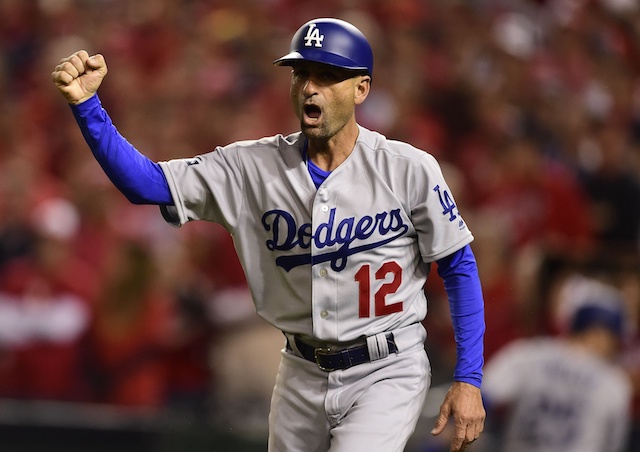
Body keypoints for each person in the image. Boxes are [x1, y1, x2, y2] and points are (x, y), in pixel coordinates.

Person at [51, 18, 486, 452]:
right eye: (302, 73)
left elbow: (458, 265)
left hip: (386, 368)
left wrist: (468, 378)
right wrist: (88, 106)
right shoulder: (249, 167)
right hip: (299, 368)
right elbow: (145, 184)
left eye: (328, 76)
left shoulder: (408, 168)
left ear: (361, 89)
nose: (310, 87)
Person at [481, 274, 633, 452]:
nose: (616, 347)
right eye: (615, 338)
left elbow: (482, 397)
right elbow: (613, 446)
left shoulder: (529, 354)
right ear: (599, 333)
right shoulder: (614, 383)